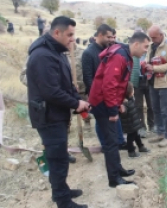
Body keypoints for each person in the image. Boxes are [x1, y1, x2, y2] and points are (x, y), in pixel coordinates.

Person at [26, 16, 89, 208]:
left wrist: (77, 98)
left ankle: (61, 189)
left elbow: (63, 83)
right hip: (48, 116)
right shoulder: (42, 56)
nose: (72, 39)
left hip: (56, 114)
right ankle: (62, 200)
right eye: (69, 35)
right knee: (57, 159)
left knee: (59, 155)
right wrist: (74, 103)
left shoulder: (56, 52)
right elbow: (51, 91)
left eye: (73, 35)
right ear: (56, 33)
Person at [88, 32, 150, 188]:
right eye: (145, 46)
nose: (146, 50)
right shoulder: (119, 56)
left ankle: (118, 169)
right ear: (136, 44)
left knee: (115, 140)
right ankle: (114, 179)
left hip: (108, 102)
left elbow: (120, 83)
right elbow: (109, 85)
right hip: (102, 103)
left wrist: (119, 101)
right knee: (110, 142)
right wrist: (112, 110)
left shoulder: (125, 54)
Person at [21, 26, 77, 164]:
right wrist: (42, 84)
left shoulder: (60, 53)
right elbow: (24, 76)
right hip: (45, 105)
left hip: (60, 101)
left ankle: (62, 152)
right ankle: (52, 155)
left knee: (62, 134)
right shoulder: (39, 55)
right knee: (52, 139)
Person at [81, 24, 127, 150]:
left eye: (112, 37)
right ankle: (105, 144)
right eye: (108, 37)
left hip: (109, 93)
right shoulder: (88, 53)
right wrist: (95, 97)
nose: (111, 39)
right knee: (101, 120)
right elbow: (88, 78)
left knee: (113, 117)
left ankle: (119, 141)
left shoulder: (110, 50)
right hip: (97, 96)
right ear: (100, 35)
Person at [145, 25, 167, 147]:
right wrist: (146, 65)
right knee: (156, 110)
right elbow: (148, 59)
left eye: (154, 37)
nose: (152, 39)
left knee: (166, 111)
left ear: (161, 35)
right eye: (151, 37)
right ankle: (160, 133)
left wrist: (154, 68)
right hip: (152, 82)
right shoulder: (151, 46)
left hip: (165, 83)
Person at [130, 30, 155, 138]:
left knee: (151, 104)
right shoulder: (132, 53)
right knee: (138, 106)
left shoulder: (149, 50)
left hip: (148, 80)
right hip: (137, 81)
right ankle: (141, 127)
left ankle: (152, 125)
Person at [119, 82, 151, 158]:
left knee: (137, 135)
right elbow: (124, 113)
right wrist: (122, 110)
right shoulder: (125, 103)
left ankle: (141, 147)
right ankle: (131, 151)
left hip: (134, 123)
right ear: (129, 92)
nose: (134, 91)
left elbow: (134, 111)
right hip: (129, 125)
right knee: (130, 138)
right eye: (133, 89)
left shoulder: (131, 99)